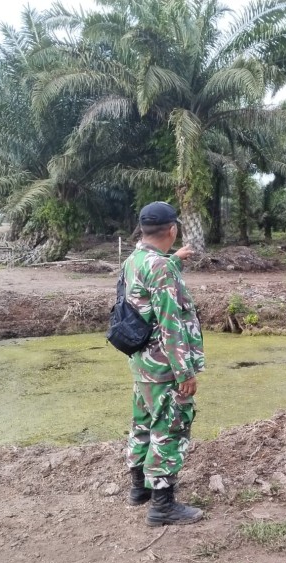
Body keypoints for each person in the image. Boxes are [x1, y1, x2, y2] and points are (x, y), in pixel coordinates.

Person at [121, 201, 205, 527]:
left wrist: (175, 260)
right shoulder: (161, 268)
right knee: (169, 429)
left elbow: (150, 279)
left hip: (143, 364)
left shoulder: (135, 260)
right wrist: (184, 371)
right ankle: (162, 505)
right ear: (172, 230)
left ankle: (138, 489)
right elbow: (172, 323)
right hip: (165, 367)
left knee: (142, 424)